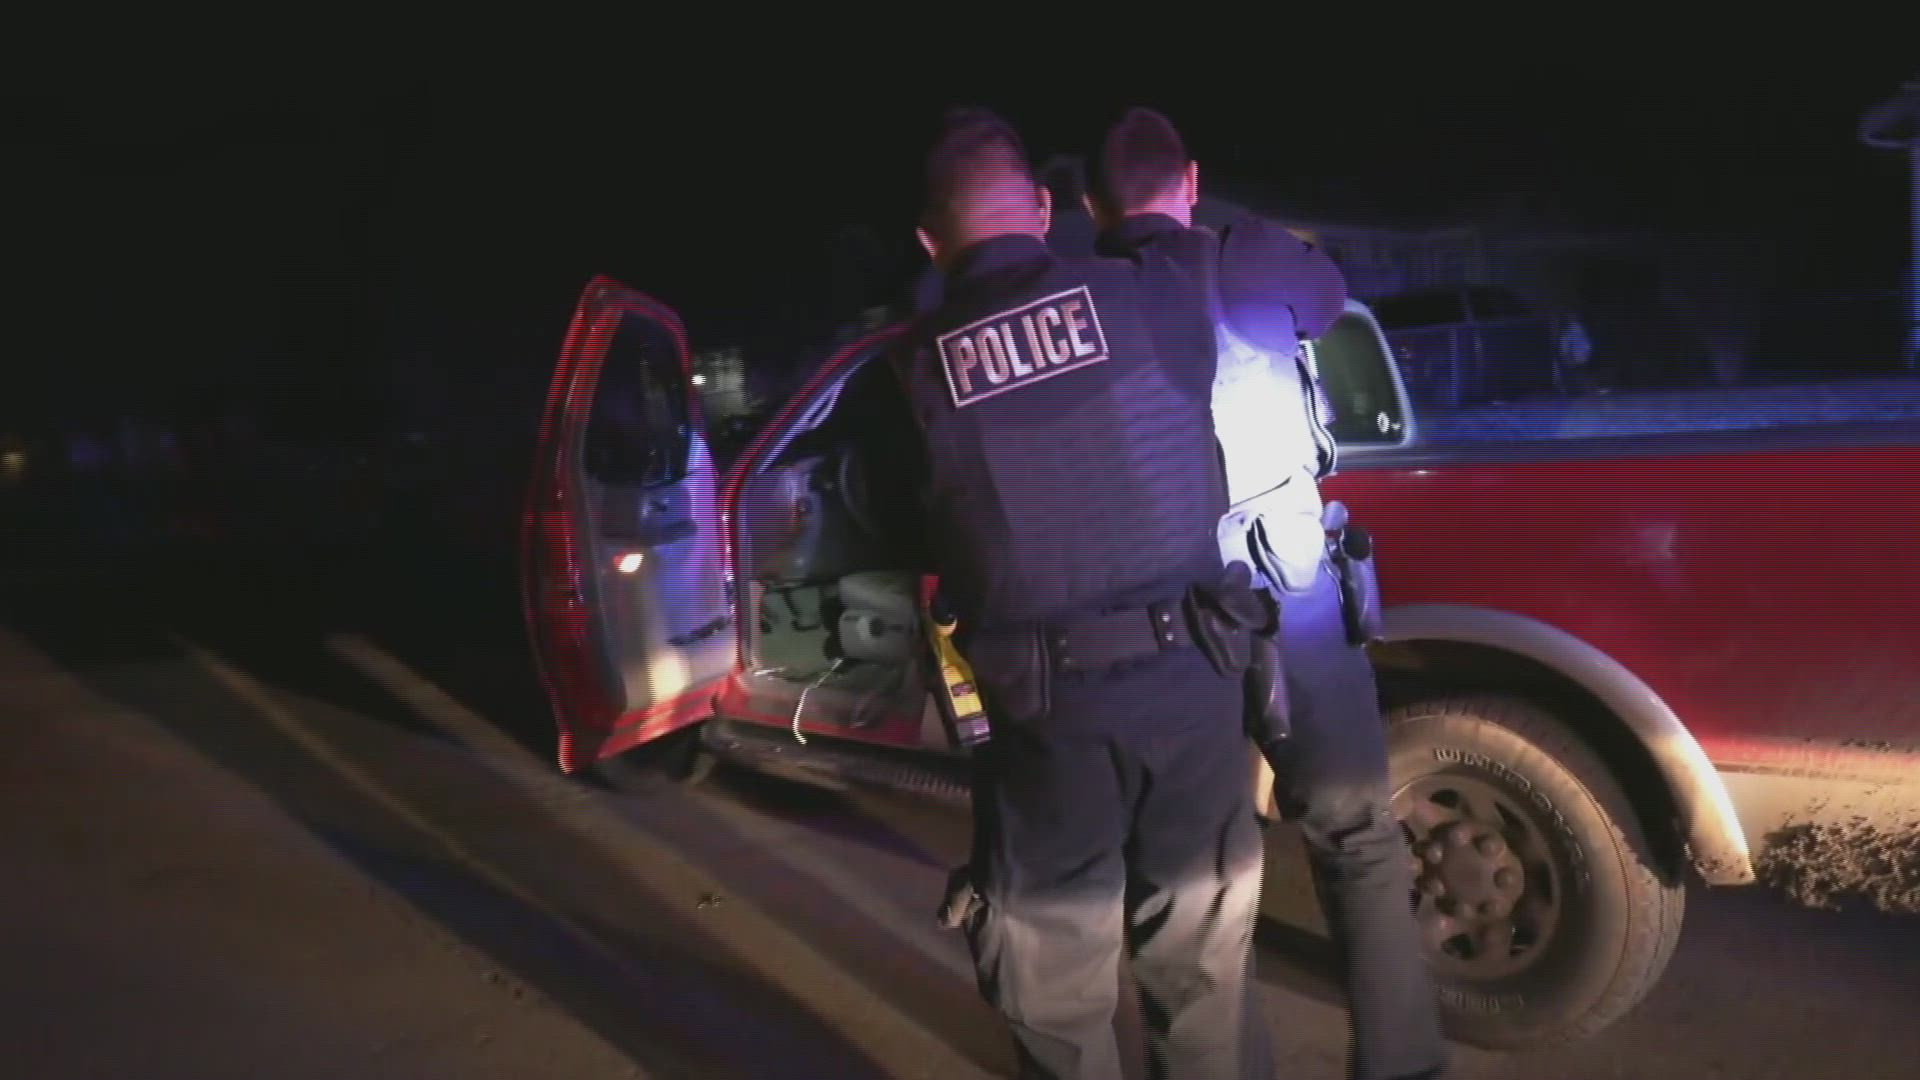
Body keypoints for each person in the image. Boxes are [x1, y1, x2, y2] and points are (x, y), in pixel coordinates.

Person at [883, 106, 1278, 1080]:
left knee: (1058, 1006)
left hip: (1048, 725)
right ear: (1042, 206)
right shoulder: (1157, 292)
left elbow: (908, 536)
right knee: (1204, 989)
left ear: (930, 241)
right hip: (1196, 688)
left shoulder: (912, 374)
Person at [1086, 107, 1447, 1080]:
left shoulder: (1084, 298)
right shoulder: (1247, 260)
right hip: (1295, 598)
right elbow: (1327, 299)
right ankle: (1405, 1064)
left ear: (1090, 204)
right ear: (1192, 181)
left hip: (1169, 625)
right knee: (1357, 835)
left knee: (1203, 881)